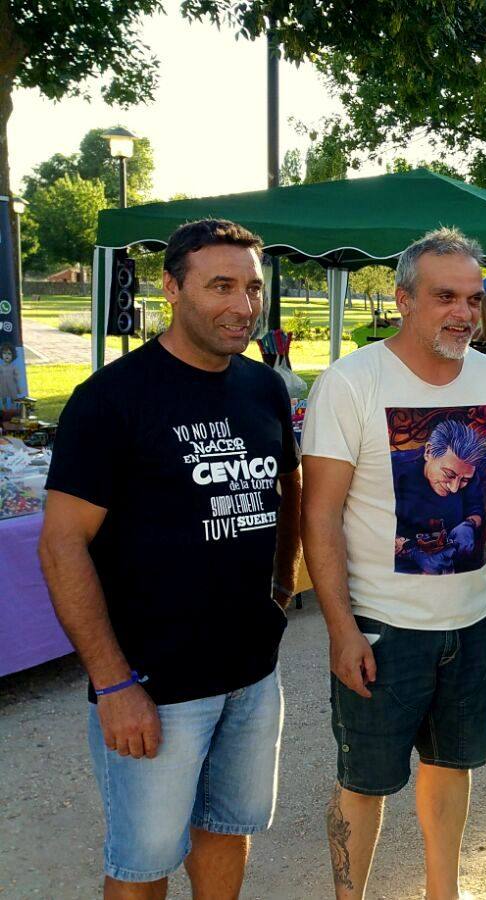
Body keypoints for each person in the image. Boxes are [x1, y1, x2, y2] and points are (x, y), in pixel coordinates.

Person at [301, 229, 486, 900]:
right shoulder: (351, 382)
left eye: (474, 299)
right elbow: (320, 517)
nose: (464, 313)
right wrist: (341, 629)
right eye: (445, 297)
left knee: (452, 766)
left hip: (472, 620)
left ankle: (442, 893)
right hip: (381, 627)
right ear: (403, 299)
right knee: (363, 782)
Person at [39, 220, 301, 899]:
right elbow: (61, 543)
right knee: (143, 860)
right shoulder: (110, 400)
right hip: (152, 685)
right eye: (221, 286)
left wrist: (281, 585)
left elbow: (286, 488)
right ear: (171, 287)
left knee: (227, 827)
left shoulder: (263, 388)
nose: (243, 307)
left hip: (250, 673)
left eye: (252, 288)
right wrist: (114, 683)